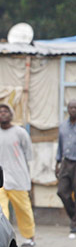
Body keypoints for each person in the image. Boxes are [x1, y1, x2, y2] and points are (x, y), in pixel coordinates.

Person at [0, 103, 36, 247]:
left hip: (19, 178)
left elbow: (29, 155)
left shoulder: (20, 132)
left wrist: (31, 176)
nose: (3, 114)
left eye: (5, 111)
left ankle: (29, 237)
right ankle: (4, 238)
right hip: (0, 179)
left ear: (11, 114)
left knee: (23, 209)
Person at [55, 99, 76, 239]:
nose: (73, 110)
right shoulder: (63, 126)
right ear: (67, 109)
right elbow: (60, 145)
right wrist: (56, 163)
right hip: (66, 162)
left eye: (75, 107)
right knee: (62, 191)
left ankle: (74, 225)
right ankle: (75, 216)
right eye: (71, 107)